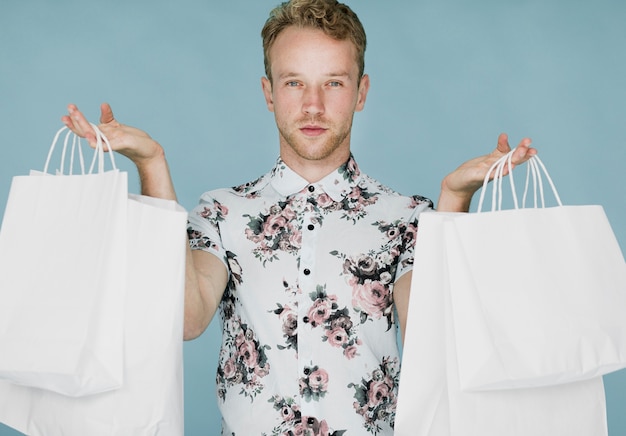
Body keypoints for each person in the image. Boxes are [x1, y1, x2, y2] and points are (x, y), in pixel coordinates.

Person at [62, 0, 535, 434]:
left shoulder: (410, 218)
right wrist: (151, 164)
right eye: (294, 83)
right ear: (269, 93)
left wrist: (454, 201)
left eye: (333, 82)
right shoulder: (222, 212)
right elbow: (186, 319)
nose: (313, 105)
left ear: (361, 92)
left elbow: (433, 345)